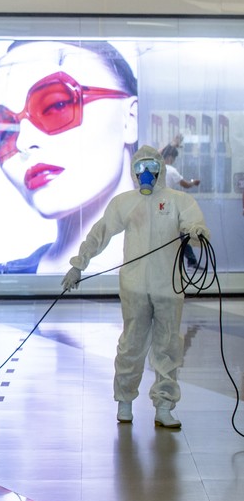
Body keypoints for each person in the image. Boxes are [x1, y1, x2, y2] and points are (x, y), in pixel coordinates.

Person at [61, 145, 209, 428]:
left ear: (160, 169)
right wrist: (79, 264)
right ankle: (125, 402)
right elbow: (100, 232)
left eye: (151, 167)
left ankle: (164, 406)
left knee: (167, 347)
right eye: (140, 168)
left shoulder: (178, 200)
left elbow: (194, 224)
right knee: (131, 345)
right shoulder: (124, 202)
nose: (146, 173)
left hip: (168, 286)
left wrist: (196, 233)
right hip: (135, 288)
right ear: (133, 170)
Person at [0, 40, 139, 274]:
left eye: (57, 105)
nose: (22, 142)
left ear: (131, 119)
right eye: (5, 131)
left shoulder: (176, 272)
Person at [161, 137, 201, 269]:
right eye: (174, 158)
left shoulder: (157, 169)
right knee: (181, 234)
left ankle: (187, 261)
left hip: (157, 206)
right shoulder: (171, 171)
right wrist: (194, 182)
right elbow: (186, 185)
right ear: (171, 157)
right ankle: (191, 261)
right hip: (168, 206)